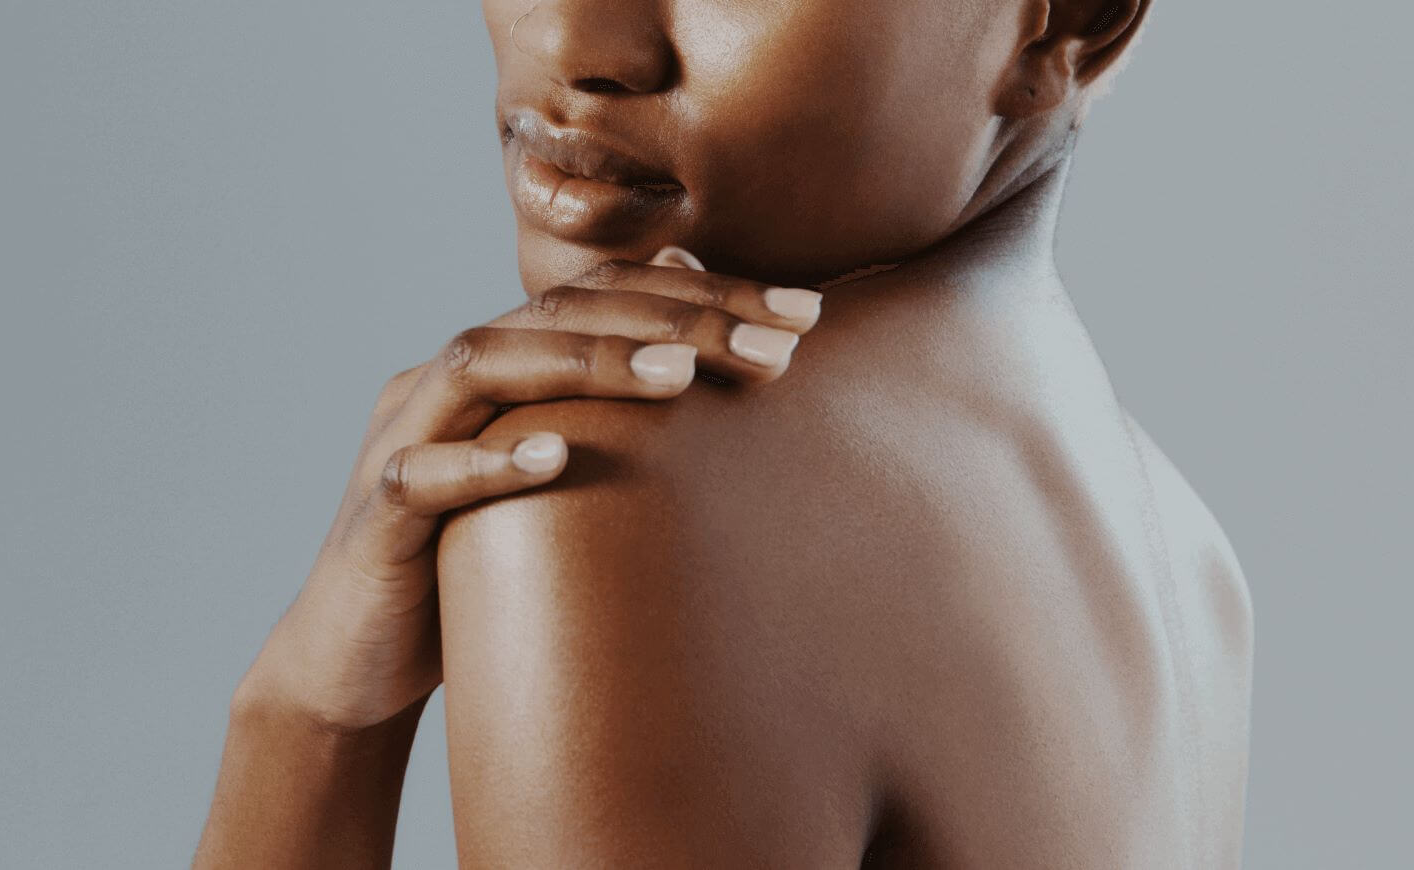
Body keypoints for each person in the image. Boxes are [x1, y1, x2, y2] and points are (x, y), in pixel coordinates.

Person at [194, 0, 1253, 866]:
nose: (572, 40)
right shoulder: (1194, 568)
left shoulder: (623, 484)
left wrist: (304, 730)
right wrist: (314, 708)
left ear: (1070, 18)